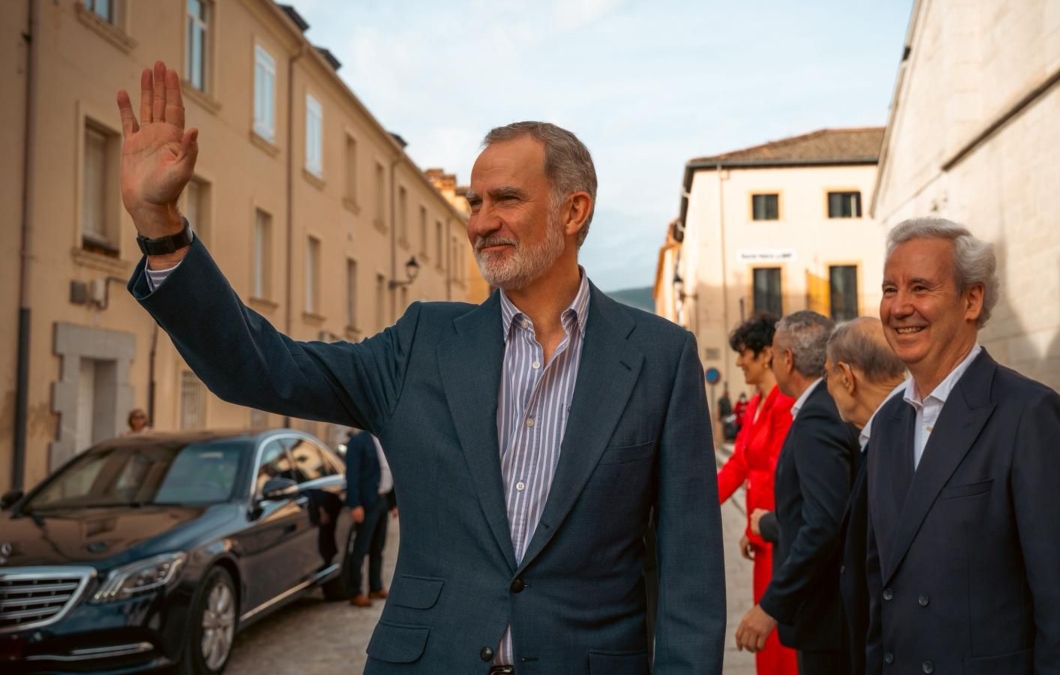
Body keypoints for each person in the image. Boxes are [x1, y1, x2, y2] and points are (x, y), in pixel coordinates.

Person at [116, 62, 724, 674]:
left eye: (506, 199)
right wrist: (161, 230)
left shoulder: (659, 356)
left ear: (573, 211)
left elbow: (690, 576)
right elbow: (262, 368)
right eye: (475, 201)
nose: (481, 221)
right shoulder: (422, 344)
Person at [865, 217, 1060, 673]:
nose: (899, 307)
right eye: (889, 289)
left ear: (971, 299)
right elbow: (881, 587)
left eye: (920, 288)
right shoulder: (888, 425)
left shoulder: (1032, 417)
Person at [737, 311, 857, 675]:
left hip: (826, 618)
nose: (769, 361)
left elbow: (823, 523)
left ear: (787, 360)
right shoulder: (828, 407)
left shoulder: (817, 418)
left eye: (772, 354)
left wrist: (771, 606)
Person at [819, 317, 906, 675]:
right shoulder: (885, 433)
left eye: (826, 374)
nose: (826, 386)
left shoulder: (901, 438)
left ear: (845, 376)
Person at [717, 313, 797, 675]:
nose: (738, 361)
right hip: (762, 537)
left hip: (779, 534)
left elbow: (784, 478)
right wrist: (695, 504)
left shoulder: (783, 404)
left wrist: (759, 527)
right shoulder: (757, 404)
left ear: (767, 354)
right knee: (767, 638)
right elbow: (738, 465)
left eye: (744, 353)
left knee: (780, 633)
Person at [344, 430, 398, 608]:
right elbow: (351, 475)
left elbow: (389, 472)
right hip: (366, 504)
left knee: (378, 548)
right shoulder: (358, 441)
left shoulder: (385, 439)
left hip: (382, 500)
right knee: (360, 549)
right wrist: (355, 504)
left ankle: (375, 587)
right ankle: (355, 591)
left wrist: (393, 503)